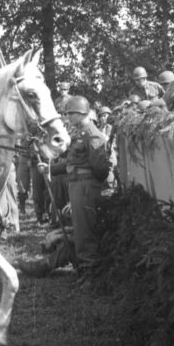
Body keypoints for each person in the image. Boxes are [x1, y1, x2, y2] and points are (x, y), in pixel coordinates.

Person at [48, 96, 110, 270]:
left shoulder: (92, 135)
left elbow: (101, 169)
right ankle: (84, 266)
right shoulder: (79, 133)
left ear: (81, 113)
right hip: (77, 185)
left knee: (85, 230)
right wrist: (49, 169)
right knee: (79, 227)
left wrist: (89, 185)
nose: (68, 118)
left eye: (70, 114)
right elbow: (71, 163)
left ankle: (89, 270)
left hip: (85, 186)